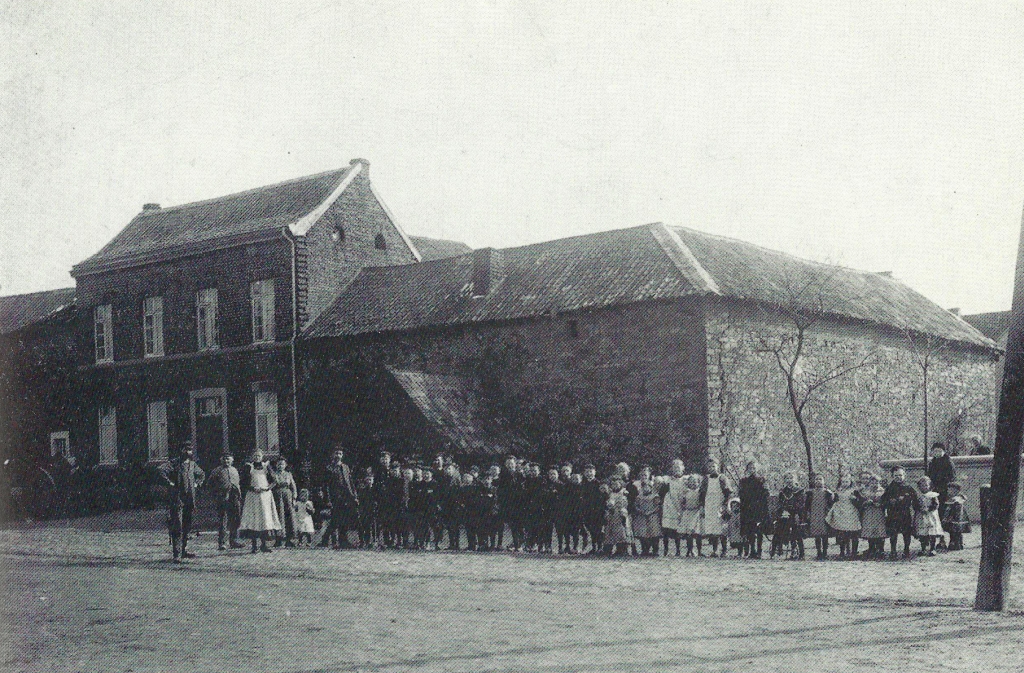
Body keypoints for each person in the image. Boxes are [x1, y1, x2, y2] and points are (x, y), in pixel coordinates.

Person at [159, 442, 206, 563]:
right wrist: (169, 483)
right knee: (177, 526)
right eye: (185, 449)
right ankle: (177, 554)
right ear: (181, 450)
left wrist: (197, 483)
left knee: (187, 526)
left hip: (189, 499)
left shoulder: (192, 464)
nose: (188, 452)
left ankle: (183, 550)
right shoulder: (174, 463)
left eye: (190, 450)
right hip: (177, 499)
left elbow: (201, 474)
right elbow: (161, 470)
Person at [239, 450, 281, 553]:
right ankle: (254, 546)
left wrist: (267, 488)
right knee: (254, 519)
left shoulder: (266, 466)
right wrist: (252, 488)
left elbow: (275, 480)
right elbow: (243, 482)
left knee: (264, 518)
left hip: (265, 496)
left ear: (262, 457)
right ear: (252, 457)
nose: (257, 457)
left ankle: (264, 545)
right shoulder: (249, 467)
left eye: (259, 455)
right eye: (255, 456)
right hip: (252, 496)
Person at [318, 448, 359, 549]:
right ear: (333, 454)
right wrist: (327, 500)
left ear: (342, 455)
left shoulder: (345, 467)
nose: (338, 455)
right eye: (336, 453)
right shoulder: (329, 468)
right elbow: (326, 485)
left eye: (340, 454)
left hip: (346, 497)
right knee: (335, 520)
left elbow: (350, 482)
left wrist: (354, 496)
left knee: (345, 520)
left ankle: (343, 541)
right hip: (335, 497)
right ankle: (325, 540)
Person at [206, 452, 242, 551]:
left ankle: (233, 540)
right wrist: (217, 494)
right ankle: (222, 542)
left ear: (232, 460)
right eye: (224, 459)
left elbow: (238, 483)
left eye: (228, 459)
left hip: (234, 497)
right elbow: (209, 484)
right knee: (223, 520)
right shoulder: (216, 471)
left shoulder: (235, 470)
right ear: (221, 460)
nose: (226, 461)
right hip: (222, 498)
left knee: (235, 518)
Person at [881, 465, 917, 560]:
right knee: (893, 534)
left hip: (905, 514)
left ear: (904, 475)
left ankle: (906, 550)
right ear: (892, 476)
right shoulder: (889, 488)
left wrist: (907, 499)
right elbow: (883, 501)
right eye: (896, 475)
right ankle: (893, 551)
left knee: (906, 533)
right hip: (893, 514)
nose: (898, 477)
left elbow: (915, 500)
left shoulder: (908, 487)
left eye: (900, 475)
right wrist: (890, 501)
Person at [926, 442, 956, 550]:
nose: (937, 453)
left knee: (947, 516)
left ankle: (952, 540)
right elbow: (929, 477)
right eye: (935, 451)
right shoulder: (932, 463)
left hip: (945, 492)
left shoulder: (948, 462)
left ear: (944, 451)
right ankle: (941, 539)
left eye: (939, 450)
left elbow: (952, 478)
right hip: (935, 492)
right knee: (936, 516)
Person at [825, 474, 861, 560]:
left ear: (850, 482)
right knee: (842, 533)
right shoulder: (838, 491)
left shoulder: (854, 491)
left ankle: (854, 552)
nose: (845, 483)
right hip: (841, 512)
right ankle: (842, 552)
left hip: (852, 512)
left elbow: (859, 500)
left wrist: (855, 499)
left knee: (854, 532)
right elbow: (834, 500)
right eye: (843, 482)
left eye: (847, 481)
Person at [738, 461, 769, 559]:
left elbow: (766, 494)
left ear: (757, 469)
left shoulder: (761, 480)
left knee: (759, 530)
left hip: (759, 508)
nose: (752, 470)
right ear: (747, 469)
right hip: (747, 508)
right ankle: (752, 550)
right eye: (750, 468)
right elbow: (741, 495)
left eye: (754, 468)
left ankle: (759, 550)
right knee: (750, 530)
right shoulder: (743, 481)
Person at [702, 459, 731, 558]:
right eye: (709, 467)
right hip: (709, 506)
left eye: (713, 466)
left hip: (720, 506)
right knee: (712, 529)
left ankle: (724, 550)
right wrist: (702, 506)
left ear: (717, 466)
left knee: (722, 529)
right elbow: (702, 494)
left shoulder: (722, 478)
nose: (711, 468)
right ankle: (715, 550)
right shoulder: (706, 479)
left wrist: (725, 505)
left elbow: (728, 493)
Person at [773, 471, 805, 560]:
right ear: (784, 480)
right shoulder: (783, 492)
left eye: (791, 478)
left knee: (795, 527)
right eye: (787, 478)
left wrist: (791, 511)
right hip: (784, 515)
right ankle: (778, 549)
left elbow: (800, 504)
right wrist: (783, 511)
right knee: (779, 526)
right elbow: (779, 504)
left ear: (795, 479)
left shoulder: (799, 491)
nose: (789, 480)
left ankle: (797, 550)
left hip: (795, 514)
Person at [659, 459, 687, 557]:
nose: (677, 469)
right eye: (675, 467)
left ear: (683, 468)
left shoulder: (685, 480)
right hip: (669, 506)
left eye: (679, 467)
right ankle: (666, 550)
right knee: (666, 529)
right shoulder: (667, 480)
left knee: (677, 530)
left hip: (680, 506)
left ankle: (678, 550)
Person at [805, 473, 836, 560]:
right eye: (816, 479)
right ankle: (819, 551)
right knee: (817, 535)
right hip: (814, 515)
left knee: (824, 534)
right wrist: (807, 514)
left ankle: (825, 552)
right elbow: (807, 505)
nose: (818, 481)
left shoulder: (827, 493)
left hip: (824, 515)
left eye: (820, 479)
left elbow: (831, 504)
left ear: (824, 481)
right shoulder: (810, 493)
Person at [857, 472, 888, 559]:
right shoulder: (865, 491)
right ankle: (871, 549)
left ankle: (881, 550)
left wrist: (881, 504)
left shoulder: (882, 491)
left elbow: (886, 502)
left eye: (877, 482)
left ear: (880, 483)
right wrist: (866, 503)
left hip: (879, 513)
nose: (875, 484)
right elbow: (861, 502)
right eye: (873, 482)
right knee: (870, 531)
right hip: (869, 513)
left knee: (880, 531)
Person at [271, 457, 298, 547]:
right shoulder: (273, 474)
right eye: (279, 464)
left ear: (285, 465)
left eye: (282, 464)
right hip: (277, 496)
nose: (280, 466)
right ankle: (278, 539)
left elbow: (293, 486)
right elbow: (270, 485)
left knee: (288, 516)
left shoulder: (288, 474)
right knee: (278, 516)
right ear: (276, 465)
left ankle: (288, 540)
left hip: (287, 496)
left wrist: (294, 498)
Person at [913, 476, 943, 557]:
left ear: (930, 486)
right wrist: (920, 509)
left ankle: (932, 548)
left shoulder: (933, 495)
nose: (924, 487)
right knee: (923, 533)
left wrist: (929, 509)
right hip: (921, 516)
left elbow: (936, 505)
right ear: (919, 487)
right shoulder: (918, 496)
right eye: (922, 485)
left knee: (932, 532)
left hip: (931, 516)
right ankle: (923, 548)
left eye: (926, 485)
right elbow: (915, 505)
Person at [603, 475, 632, 556]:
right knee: (609, 532)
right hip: (611, 514)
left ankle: (622, 550)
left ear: (620, 484)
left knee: (621, 532)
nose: (615, 486)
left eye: (617, 484)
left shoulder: (624, 492)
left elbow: (626, 503)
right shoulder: (610, 493)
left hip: (620, 514)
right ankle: (608, 549)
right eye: (613, 484)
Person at [632, 478, 662, 556]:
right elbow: (636, 506)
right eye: (644, 487)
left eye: (647, 487)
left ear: (651, 488)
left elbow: (658, 507)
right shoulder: (639, 496)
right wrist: (640, 511)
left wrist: (651, 512)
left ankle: (655, 550)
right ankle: (645, 550)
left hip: (652, 517)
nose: (646, 489)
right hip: (642, 517)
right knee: (643, 534)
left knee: (654, 534)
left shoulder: (655, 496)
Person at [580, 463, 605, 554]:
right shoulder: (582, 483)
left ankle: (600, 547)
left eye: (591, 471)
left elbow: (603, 497)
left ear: (595, 472)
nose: (589, 473)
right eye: (587, 472)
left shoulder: (598, 483)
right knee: (590, 529)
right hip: (586, 510)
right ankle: (593, 547)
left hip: (597, 510)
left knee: (598, 529)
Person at [678, 473, 705, 557]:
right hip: (688, 513)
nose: (693, 483)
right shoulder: (686, 492)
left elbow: (701, 502)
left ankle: (699, 551)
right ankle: (690, 550)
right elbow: (682, 502)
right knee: (689, 534)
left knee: (697, 533)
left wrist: (701, 510)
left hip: (696, 513)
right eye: (691, 482)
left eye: (695, 481)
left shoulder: (700, 492)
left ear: (698, 482)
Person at [940, 481, 971, 551]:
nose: (948, 491)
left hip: (956, 518)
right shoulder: (951, 498)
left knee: (956, 532)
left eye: (950, 490)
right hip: (953, 518)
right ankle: (954, 543)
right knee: (952, 531)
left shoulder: (957, 499)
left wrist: (950, 517)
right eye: (948, 490)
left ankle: (957, 544)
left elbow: (955, 510)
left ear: (955, 490)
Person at [356, 468, 377, 548]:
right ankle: (364, 541)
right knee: (363, 526)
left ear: (373, 480)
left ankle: (374, 541)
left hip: (373, 511)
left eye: (371, 480)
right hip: (364, 510)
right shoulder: (362, 490)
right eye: (368, 479)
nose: (369, 481)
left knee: (373, 527)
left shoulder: (375, 490)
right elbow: (360, 501)